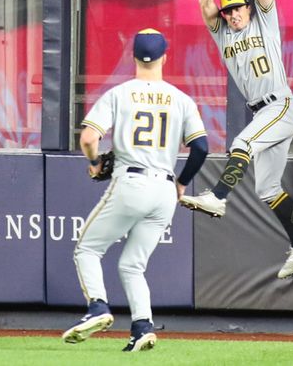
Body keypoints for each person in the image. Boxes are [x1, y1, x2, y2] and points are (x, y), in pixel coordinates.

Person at [180, 0, 293, 279]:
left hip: (282, 105)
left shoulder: (264, 23)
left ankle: (218, 196)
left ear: (247, 9)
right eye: (228, 11)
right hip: (263, 112)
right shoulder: (223, 34)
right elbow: (204, 4)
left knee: (241, 143)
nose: (232, 14)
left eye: (238, 8)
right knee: (267, 189)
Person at [62, 28, 208, 352]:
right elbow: (200, 147)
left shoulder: (120, 93)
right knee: (132, 265)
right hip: (165, 190)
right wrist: (182, 183)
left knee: (86, 249)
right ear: (164, 58)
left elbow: (88, 138)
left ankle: (98, 307)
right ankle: (142, 326)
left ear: (133, 58)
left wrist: (96, 161)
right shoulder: (181, 99)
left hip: (132, 181)